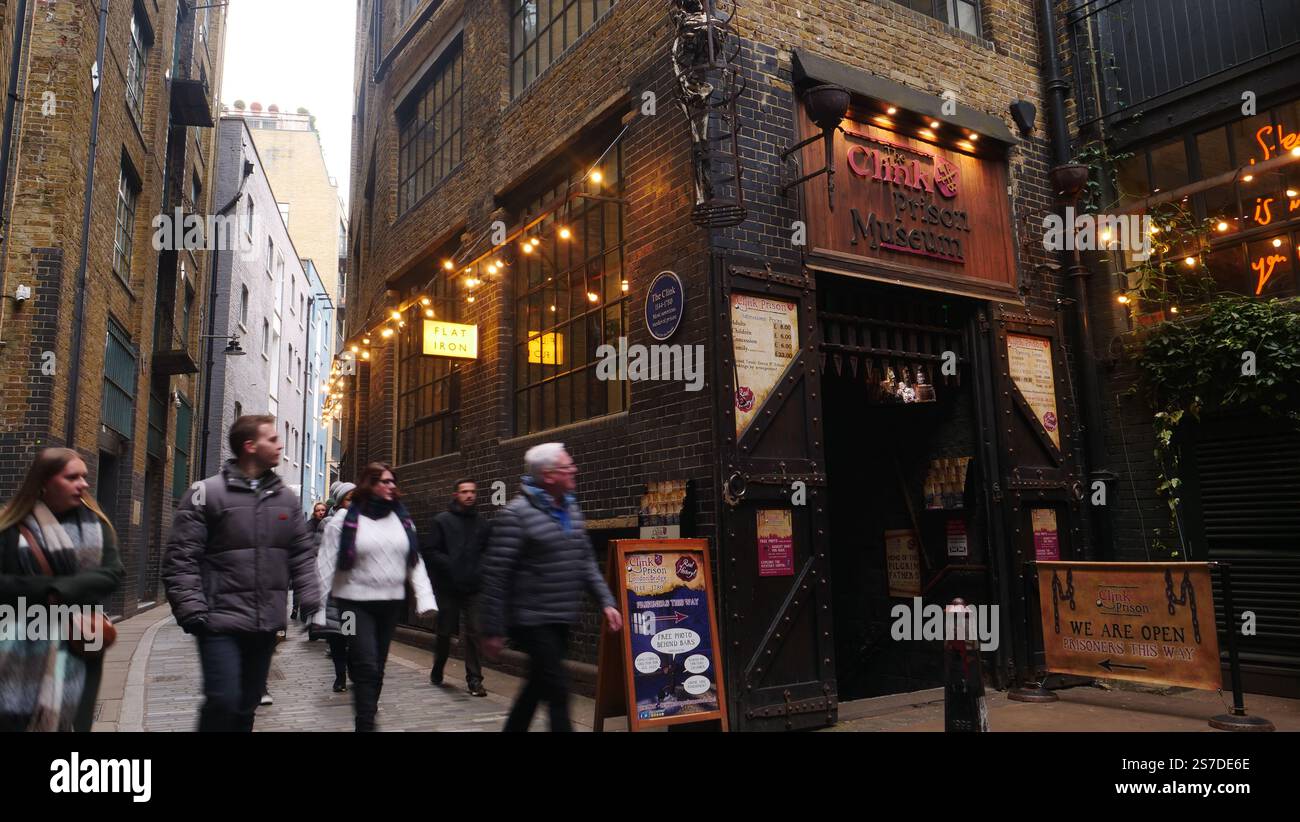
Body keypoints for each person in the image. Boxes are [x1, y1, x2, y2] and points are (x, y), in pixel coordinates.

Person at [162, 415, 321, 732]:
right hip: (218, 621)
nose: (280, 445)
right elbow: (181, 556)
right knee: (223, 699)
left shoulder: (286, 499)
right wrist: (192, 609)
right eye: (273, 439)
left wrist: (311, 601)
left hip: (264, 623)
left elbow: (302, 553)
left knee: (247, 704)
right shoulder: (205, 493)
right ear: (250, 446)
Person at [480, 443, 623, 732]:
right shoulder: (516, 515)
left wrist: (606, 602)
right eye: (566, 467)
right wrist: (492, 630)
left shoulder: (570, 508)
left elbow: (584, 562)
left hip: (560, 616)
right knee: (558, 690)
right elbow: (496, 575)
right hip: (531, 619)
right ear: (548, 476)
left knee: (536, 687)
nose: (574, 470)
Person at [0, 448, 124, 731]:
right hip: (18, 637)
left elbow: (113, 573)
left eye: (84, 476)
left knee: (72, 721)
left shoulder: (97, 526)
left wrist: (61, 589)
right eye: (72, 477)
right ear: (44, 482)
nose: (84, 484)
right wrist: (51, 591)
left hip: (82, 639)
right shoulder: (11, 526)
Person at [314, 464, 436, 731]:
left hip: (390, 602)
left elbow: (414, 560)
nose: (391, 486)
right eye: (384, 481)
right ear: (369, 485)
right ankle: (365, 723)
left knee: (377, 666)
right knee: (364, 662)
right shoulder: (342, 521)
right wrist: (318, 609)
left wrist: (425, 597)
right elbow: (324, 564)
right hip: (352, 603)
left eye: (393, 481)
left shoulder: (402, 519)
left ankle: (366, 711)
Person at [421, 479, 488, 696]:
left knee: (475, 632)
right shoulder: (442, 521)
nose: (469, 495)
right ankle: (438, 667)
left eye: (472, 492)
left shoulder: (481, 523)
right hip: (448, 587)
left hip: (474, 587)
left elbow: (488, 550)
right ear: (455, 495)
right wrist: (452, 565)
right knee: (444, 632)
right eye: (464, 492)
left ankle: (475, 680)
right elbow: (430, 551)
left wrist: (481, 569)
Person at [309, 482, 355, 691]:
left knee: (349, 633)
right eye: (349, 499)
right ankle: (340, 676)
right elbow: (318, 553)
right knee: (337, 638)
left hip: (352, 590)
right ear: (340, 502)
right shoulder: (328, 522)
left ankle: (350, 671)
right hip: (334, 590)